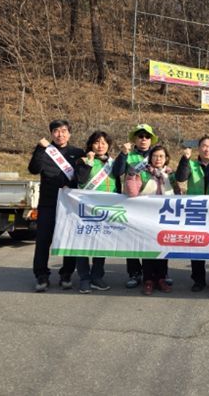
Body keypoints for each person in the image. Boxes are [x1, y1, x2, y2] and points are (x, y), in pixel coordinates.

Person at [29, 119, 85, 292]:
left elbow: (83, 176)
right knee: (43, 241)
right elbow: (33, 169)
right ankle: (41, 275)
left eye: (64, 131)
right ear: (51, 133)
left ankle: (66, 274)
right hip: (48, 203)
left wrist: (72, 184)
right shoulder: (45, 150)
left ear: (69, 133)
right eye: (56, 131)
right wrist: (40, 148)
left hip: (69, 205)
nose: (60, 134)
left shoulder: (77, 152)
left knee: (69, 240)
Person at [126, 144, 178, 295]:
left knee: (163, 248)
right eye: (155, 156)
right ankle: (148, 280)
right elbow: (132, 192)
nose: (158, 159)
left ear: (166, 158)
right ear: (150, 158)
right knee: (148, 249)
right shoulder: (142, 173)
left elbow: (178, 193)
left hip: (166, 218)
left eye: (161, 156)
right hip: (146, 218)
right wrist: (131, 175)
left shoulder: (170, 174)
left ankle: (161, 278)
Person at [175, 135, 209, 292]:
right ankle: (198, 280)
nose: (207, 149)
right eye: (204, 146)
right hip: (195, 212)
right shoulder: (191, 164)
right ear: (199, 148)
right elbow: (180, 177)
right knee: (196, 247)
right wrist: (185, 159)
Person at [112, 123, 158, 289]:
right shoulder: (128, 155)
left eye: (147, 136)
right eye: (140, 136)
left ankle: (154, 273)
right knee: (131, 238)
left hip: (152, 203)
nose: (143, 139)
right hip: (132, 203)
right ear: (135, 139)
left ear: (151, 139)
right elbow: (117, 172)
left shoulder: (157, 155)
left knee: (151, 238)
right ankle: (134, 272)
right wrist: (123, 154)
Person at [74, 131, 119, 294]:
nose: (100, 146)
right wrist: (89, 162)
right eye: (97, 142)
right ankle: (84, 278)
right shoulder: (83, 160)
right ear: (91, 145)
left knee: (101, 243)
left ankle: (97, 276)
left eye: (104, 143)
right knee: (83, 244)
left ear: (108, 146)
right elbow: (80, 179)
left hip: (106, 208)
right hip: (86, 208)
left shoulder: (112, 163)